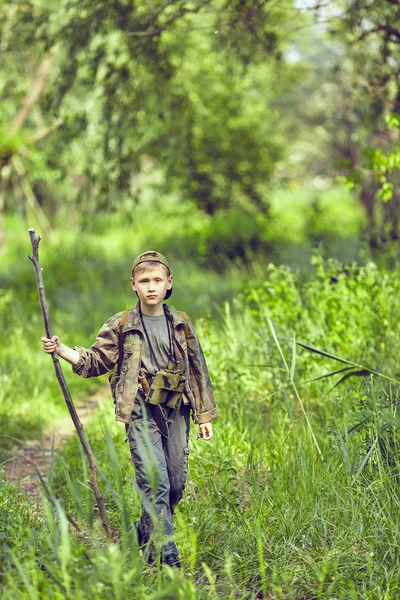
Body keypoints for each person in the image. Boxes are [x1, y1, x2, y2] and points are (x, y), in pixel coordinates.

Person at [41, 250, 219, 567]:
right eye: (144, 281)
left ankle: (141, 533)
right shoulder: (122, 324)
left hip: (175, 409)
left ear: (169, 283)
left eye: (157, 280)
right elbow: (95, 360)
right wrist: (63, 350)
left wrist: (204, 415)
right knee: (157, 483)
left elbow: (198, 369)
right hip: (140, 411)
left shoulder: (181, 323)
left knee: (175, 485)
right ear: (134, 285)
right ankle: (166, 556)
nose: (151, 287)